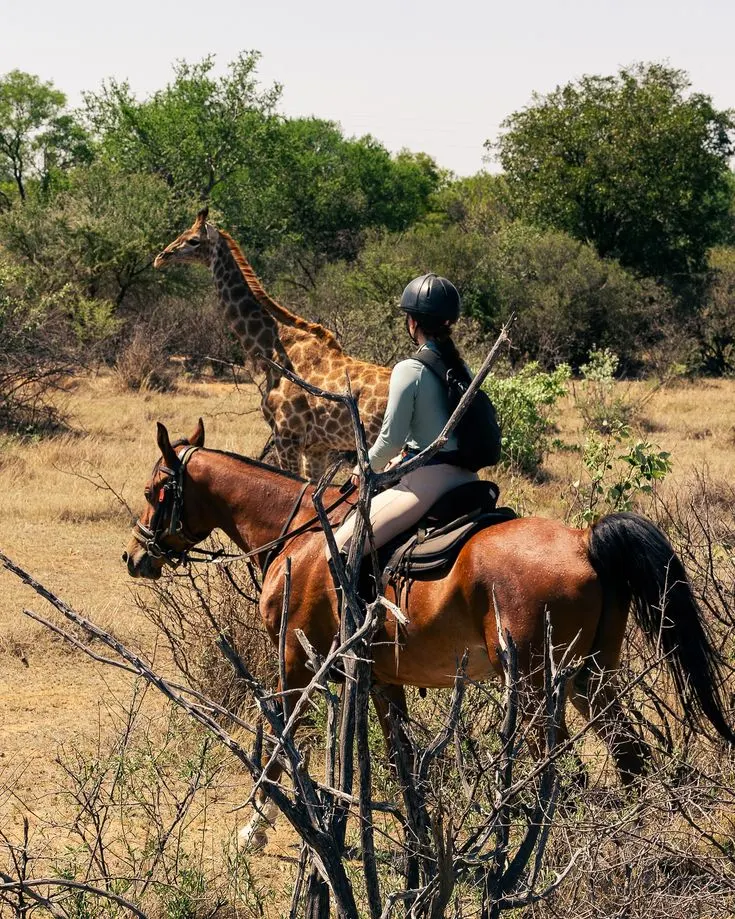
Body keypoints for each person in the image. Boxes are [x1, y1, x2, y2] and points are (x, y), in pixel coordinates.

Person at [332, 273, 479, 557]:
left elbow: (390, 441)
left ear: (412, 322)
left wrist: (363, 468)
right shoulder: (463, 369)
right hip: (469, 480)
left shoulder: (409, 369)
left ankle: (356, 603)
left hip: (425, 484)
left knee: (339, 549)